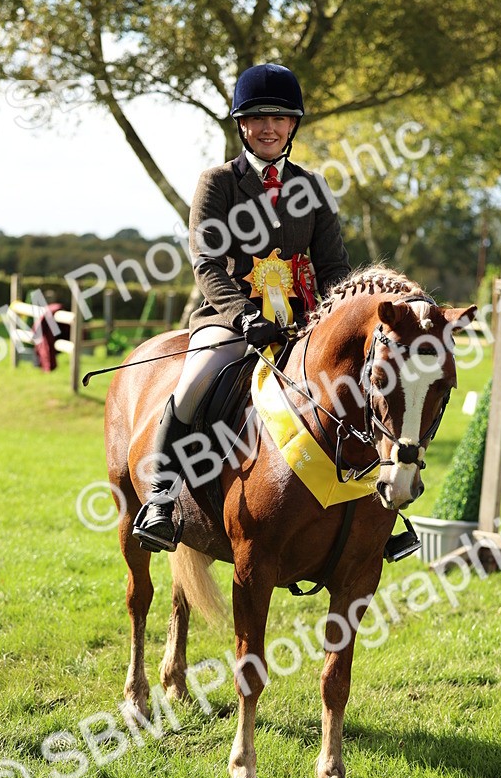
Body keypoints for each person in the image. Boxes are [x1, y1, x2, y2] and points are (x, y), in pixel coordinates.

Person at [133, 63, 351, 552]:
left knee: (354, 389)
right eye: (257, 118)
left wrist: (332, 320)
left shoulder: (312, 188)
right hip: (232, 322)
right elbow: (206, 262)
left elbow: (335, 266)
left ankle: (374, 513)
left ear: (293, 125)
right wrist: (243, 316)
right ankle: (162, 500)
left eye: (279, 118)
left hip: (302, 324)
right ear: (242, 126)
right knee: (194, 383)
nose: (269, 127)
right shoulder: (218, 183)